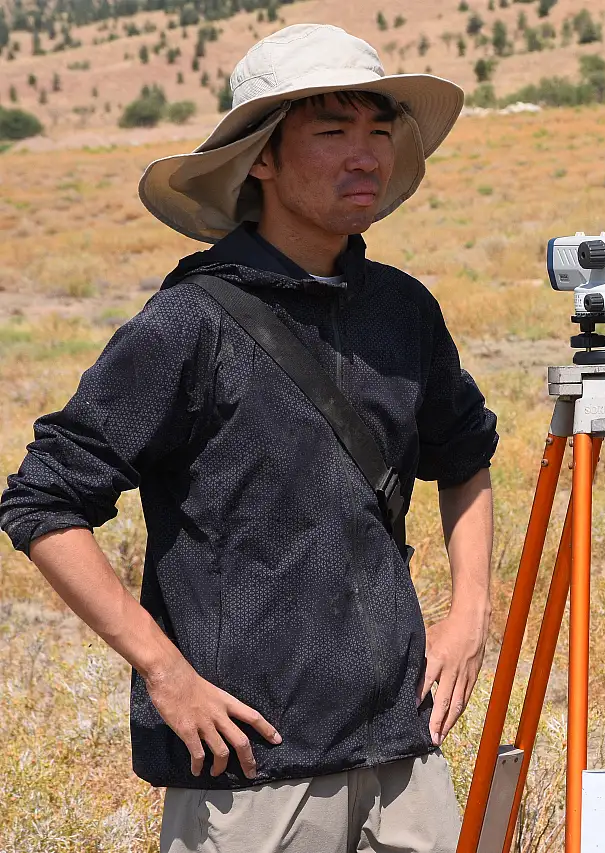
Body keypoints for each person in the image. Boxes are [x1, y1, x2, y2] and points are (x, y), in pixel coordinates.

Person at [0, 24, 497, 853]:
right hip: (252, 773)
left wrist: (470, 613)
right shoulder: (187, 323)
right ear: (259, 158)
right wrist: (166, 674)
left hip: (405, 753)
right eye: (332, 133)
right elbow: (43, 503)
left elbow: (465, 456)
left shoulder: (403, 309)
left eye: (379, 131)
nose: (365, 155)